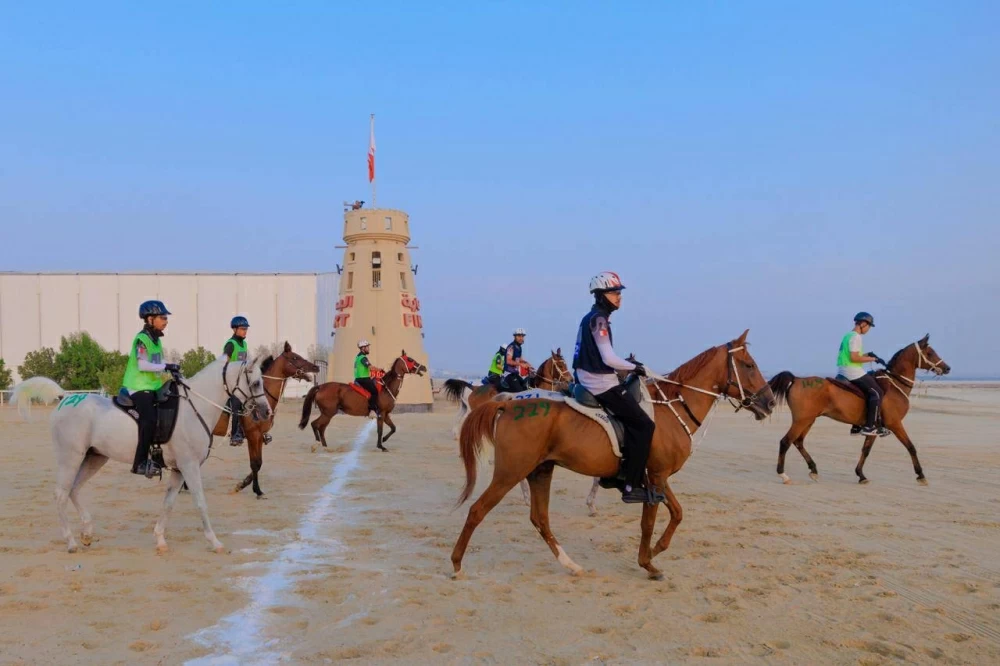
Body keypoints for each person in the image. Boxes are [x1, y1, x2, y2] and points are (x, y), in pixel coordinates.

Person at [572, 272, 662, 504]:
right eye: (614, 292)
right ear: (601, 295)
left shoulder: (592, 318)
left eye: (619, 292)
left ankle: (614, 475)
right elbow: (609, 359)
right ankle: (630, 485)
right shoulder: (599, 320)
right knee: (644, 425)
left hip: (590, 377)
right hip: (599, 382)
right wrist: (634, 367)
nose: (619, 297)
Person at [122, 300, 180, 477]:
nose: (166, 321)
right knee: (149, 419)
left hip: (153, 386)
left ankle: (159, 455)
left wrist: (173, 370)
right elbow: (143, 365)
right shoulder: (142, 339)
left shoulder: (156, 341)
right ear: (150, 319)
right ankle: (139, 463)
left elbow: (158, 363)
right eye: (162, 317)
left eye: (166, 317)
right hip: (138, 386)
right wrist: (166, 367)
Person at [837, 312, 889, 437]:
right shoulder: (856, 337)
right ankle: (869, 427)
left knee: (866, 390)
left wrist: (868, 355)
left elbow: (854, 355)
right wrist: (873, 360)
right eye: (869, 326)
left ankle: (856, 425)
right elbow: (854, 358)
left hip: (844, 369)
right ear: (863, 324)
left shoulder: (848, 335)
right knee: (877, 393)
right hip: (852, 370)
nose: (868, 329)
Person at [223, 316, 260, 445]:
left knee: (257, 398)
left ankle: (259, 430)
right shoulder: (230, 344)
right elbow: (224, 363)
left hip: (242, 381)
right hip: (232, 382)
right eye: (242, 329)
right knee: (237, 404)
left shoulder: (244, 344)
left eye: (246, 329)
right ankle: (235, 435)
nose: (245, 331)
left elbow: (244, 362)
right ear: (234, 329)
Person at [354, 340, 380, 418]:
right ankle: (372, 410)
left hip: (360, 378)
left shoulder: (358, 357)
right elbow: (371, 367)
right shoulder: (363, 358)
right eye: (367, 347)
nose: (368, 348)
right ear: (363, 348)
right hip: (363, 379)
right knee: (375, 392)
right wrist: (380, 369)